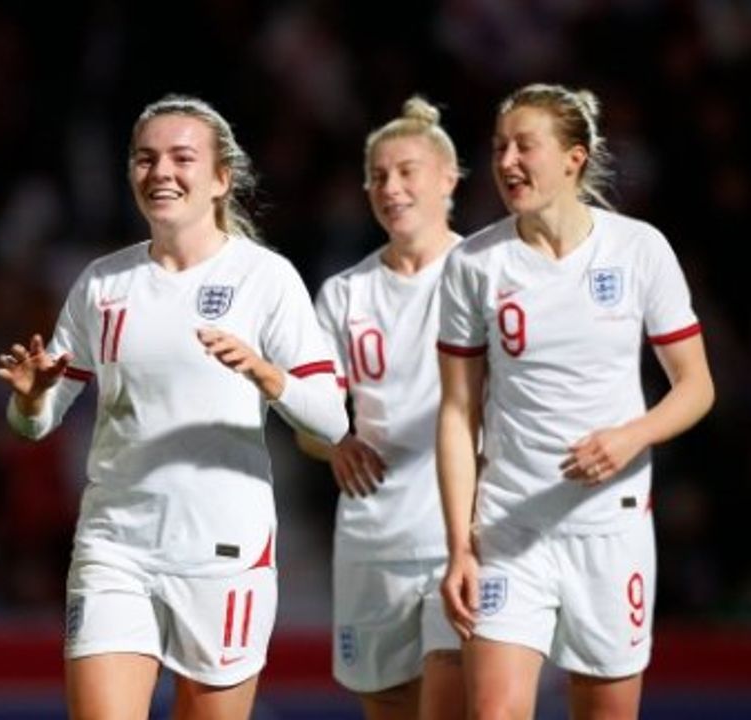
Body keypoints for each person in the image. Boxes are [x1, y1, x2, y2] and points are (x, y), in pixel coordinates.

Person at [0, 94, 348, 719]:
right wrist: (30, 399)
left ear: (221, 178)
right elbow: (35, 426)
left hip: (224, 549)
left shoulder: (265, 279)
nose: (161, 171)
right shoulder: (102, 283)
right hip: (115, 546)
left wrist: (267, 374)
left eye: (182, 158)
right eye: (146, 158)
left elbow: (332, 419)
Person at [435, 83, 714, 719]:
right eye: (499, 147)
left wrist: (632, 435)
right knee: (494, 712)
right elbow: (456, 411)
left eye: (524, 146)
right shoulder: (474, 264)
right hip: (510, 527)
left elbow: (696, 385)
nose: (507, 162)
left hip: (608, 526)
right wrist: (458, 544)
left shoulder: (639, 249)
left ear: (573, 158)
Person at [296, 96, 465, 720]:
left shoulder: (488, 275)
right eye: (378, 176)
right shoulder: (346, 294)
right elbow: (311, 422)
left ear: (448, 178)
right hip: (373, 538)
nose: (391, 188)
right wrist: (333, 443)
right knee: (389, 706)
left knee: (452, 702)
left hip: (464, 537)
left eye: (406, 171)